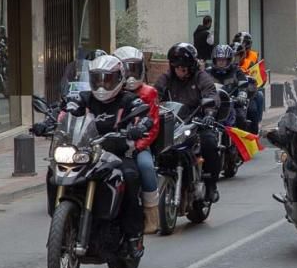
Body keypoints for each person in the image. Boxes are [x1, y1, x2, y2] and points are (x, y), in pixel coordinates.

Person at [65, 55, 147, 253]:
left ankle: (133, 235)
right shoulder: (84, 98)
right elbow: (67, 109)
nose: (101, 86)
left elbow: (143, 115)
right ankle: (67, 222)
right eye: (97, 79)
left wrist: (139, 127)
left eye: (107, 79)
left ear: (119, 79)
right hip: (87, 153)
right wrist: (51, 121)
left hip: (118, 155)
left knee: (131, 176)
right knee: (59, 172)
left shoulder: (129, 99)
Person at [154, 43, 222, 202]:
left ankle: (211, 185)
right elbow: (154, 94)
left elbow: (211, 94)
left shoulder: (201, 77)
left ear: (191, 66)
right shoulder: (166, 78)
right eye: (176, 67)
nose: (179, 71)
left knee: (210, 143)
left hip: (196, 122)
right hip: (172, 123)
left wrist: (210, 113)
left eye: (183, 67)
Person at [112, 46, 161, 234]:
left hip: (138, 146)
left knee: (146, 167)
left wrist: (137, 146)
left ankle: (151, 214)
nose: (131, 75)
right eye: (127, 69)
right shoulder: (111, 90)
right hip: (112, 144)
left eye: (135, 68)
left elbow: (153, 125)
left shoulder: (148, 92)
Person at [232, 32, 264, 134]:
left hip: (248, 87)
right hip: (231, 88)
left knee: (258, 97)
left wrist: (256, 79)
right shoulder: (228, 55)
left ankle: (257, 124)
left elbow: (258, 72)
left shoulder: (253, 57)